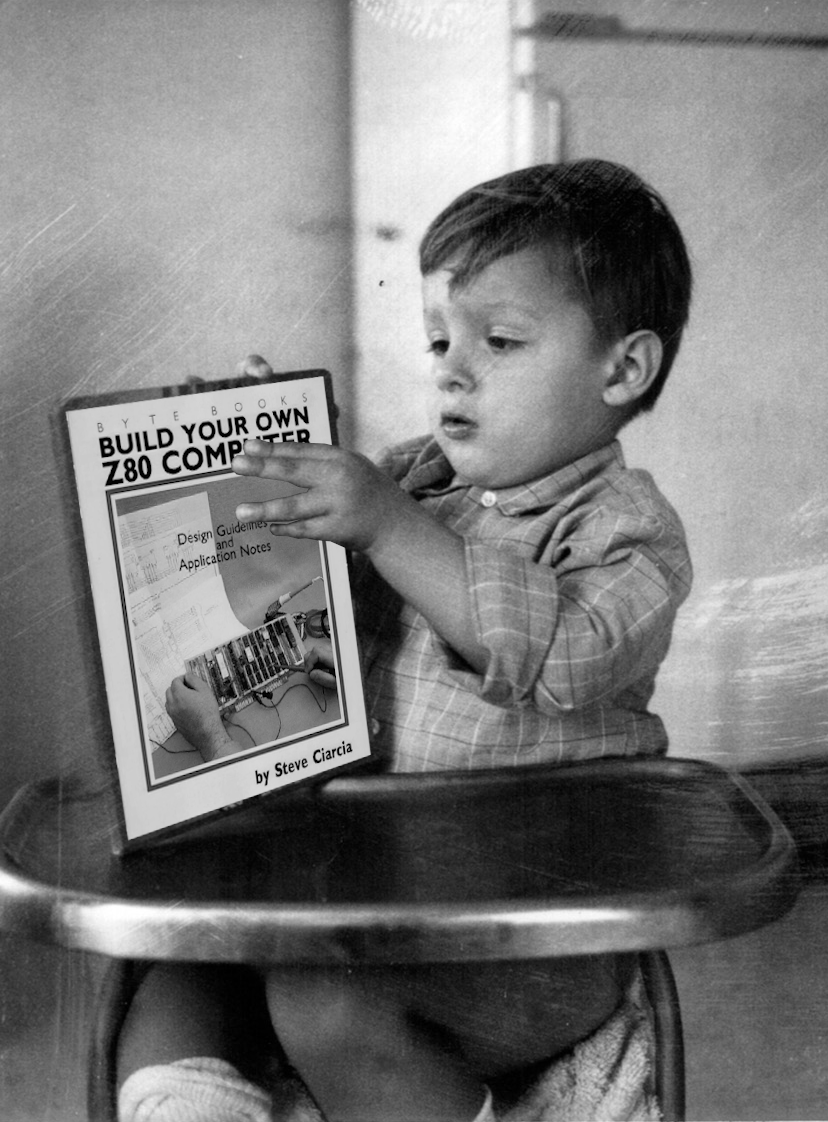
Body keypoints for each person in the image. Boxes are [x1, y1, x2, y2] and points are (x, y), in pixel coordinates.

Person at [117, 159, 693, 1122]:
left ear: (624, 369)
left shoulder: (624, 530)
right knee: (174, 975)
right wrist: (252, 464)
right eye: (438, 340)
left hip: (529, 934)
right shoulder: (414, 482)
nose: (452, 370)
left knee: (320, 999)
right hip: (356, 890)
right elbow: (304, 608)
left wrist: (384, 525)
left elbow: (565, 655)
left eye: (500, 341)